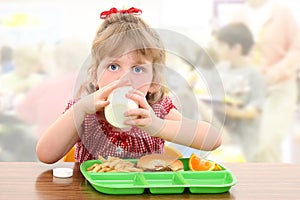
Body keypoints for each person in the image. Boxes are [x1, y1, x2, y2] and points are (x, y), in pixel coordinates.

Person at [36, 8, 221, 164]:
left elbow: (213, 139)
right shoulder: (85, 112)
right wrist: (81, 108)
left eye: (138, 69)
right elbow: (45, 155)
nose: (125, 78)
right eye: (113, 66)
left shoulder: (157, 110)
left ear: (154, 83)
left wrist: (157, 126)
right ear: (94, 75)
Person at [228, 0, 300, 162]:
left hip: (278, 88)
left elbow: (297, 48)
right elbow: (230, 50)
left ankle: (271, 185)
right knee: (249, 146)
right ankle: (257, 185)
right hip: (248, 91)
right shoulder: (237, 16)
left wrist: (276, 72)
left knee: (266, 143)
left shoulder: (283, 13)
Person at [213, 22, 266, 161]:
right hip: (219, 134)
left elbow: (255, 111)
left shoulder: (254, 75)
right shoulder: (222, 68)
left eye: (221, 45)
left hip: (242, 139)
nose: (217, 49)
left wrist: (227, 110)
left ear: (236, 48)